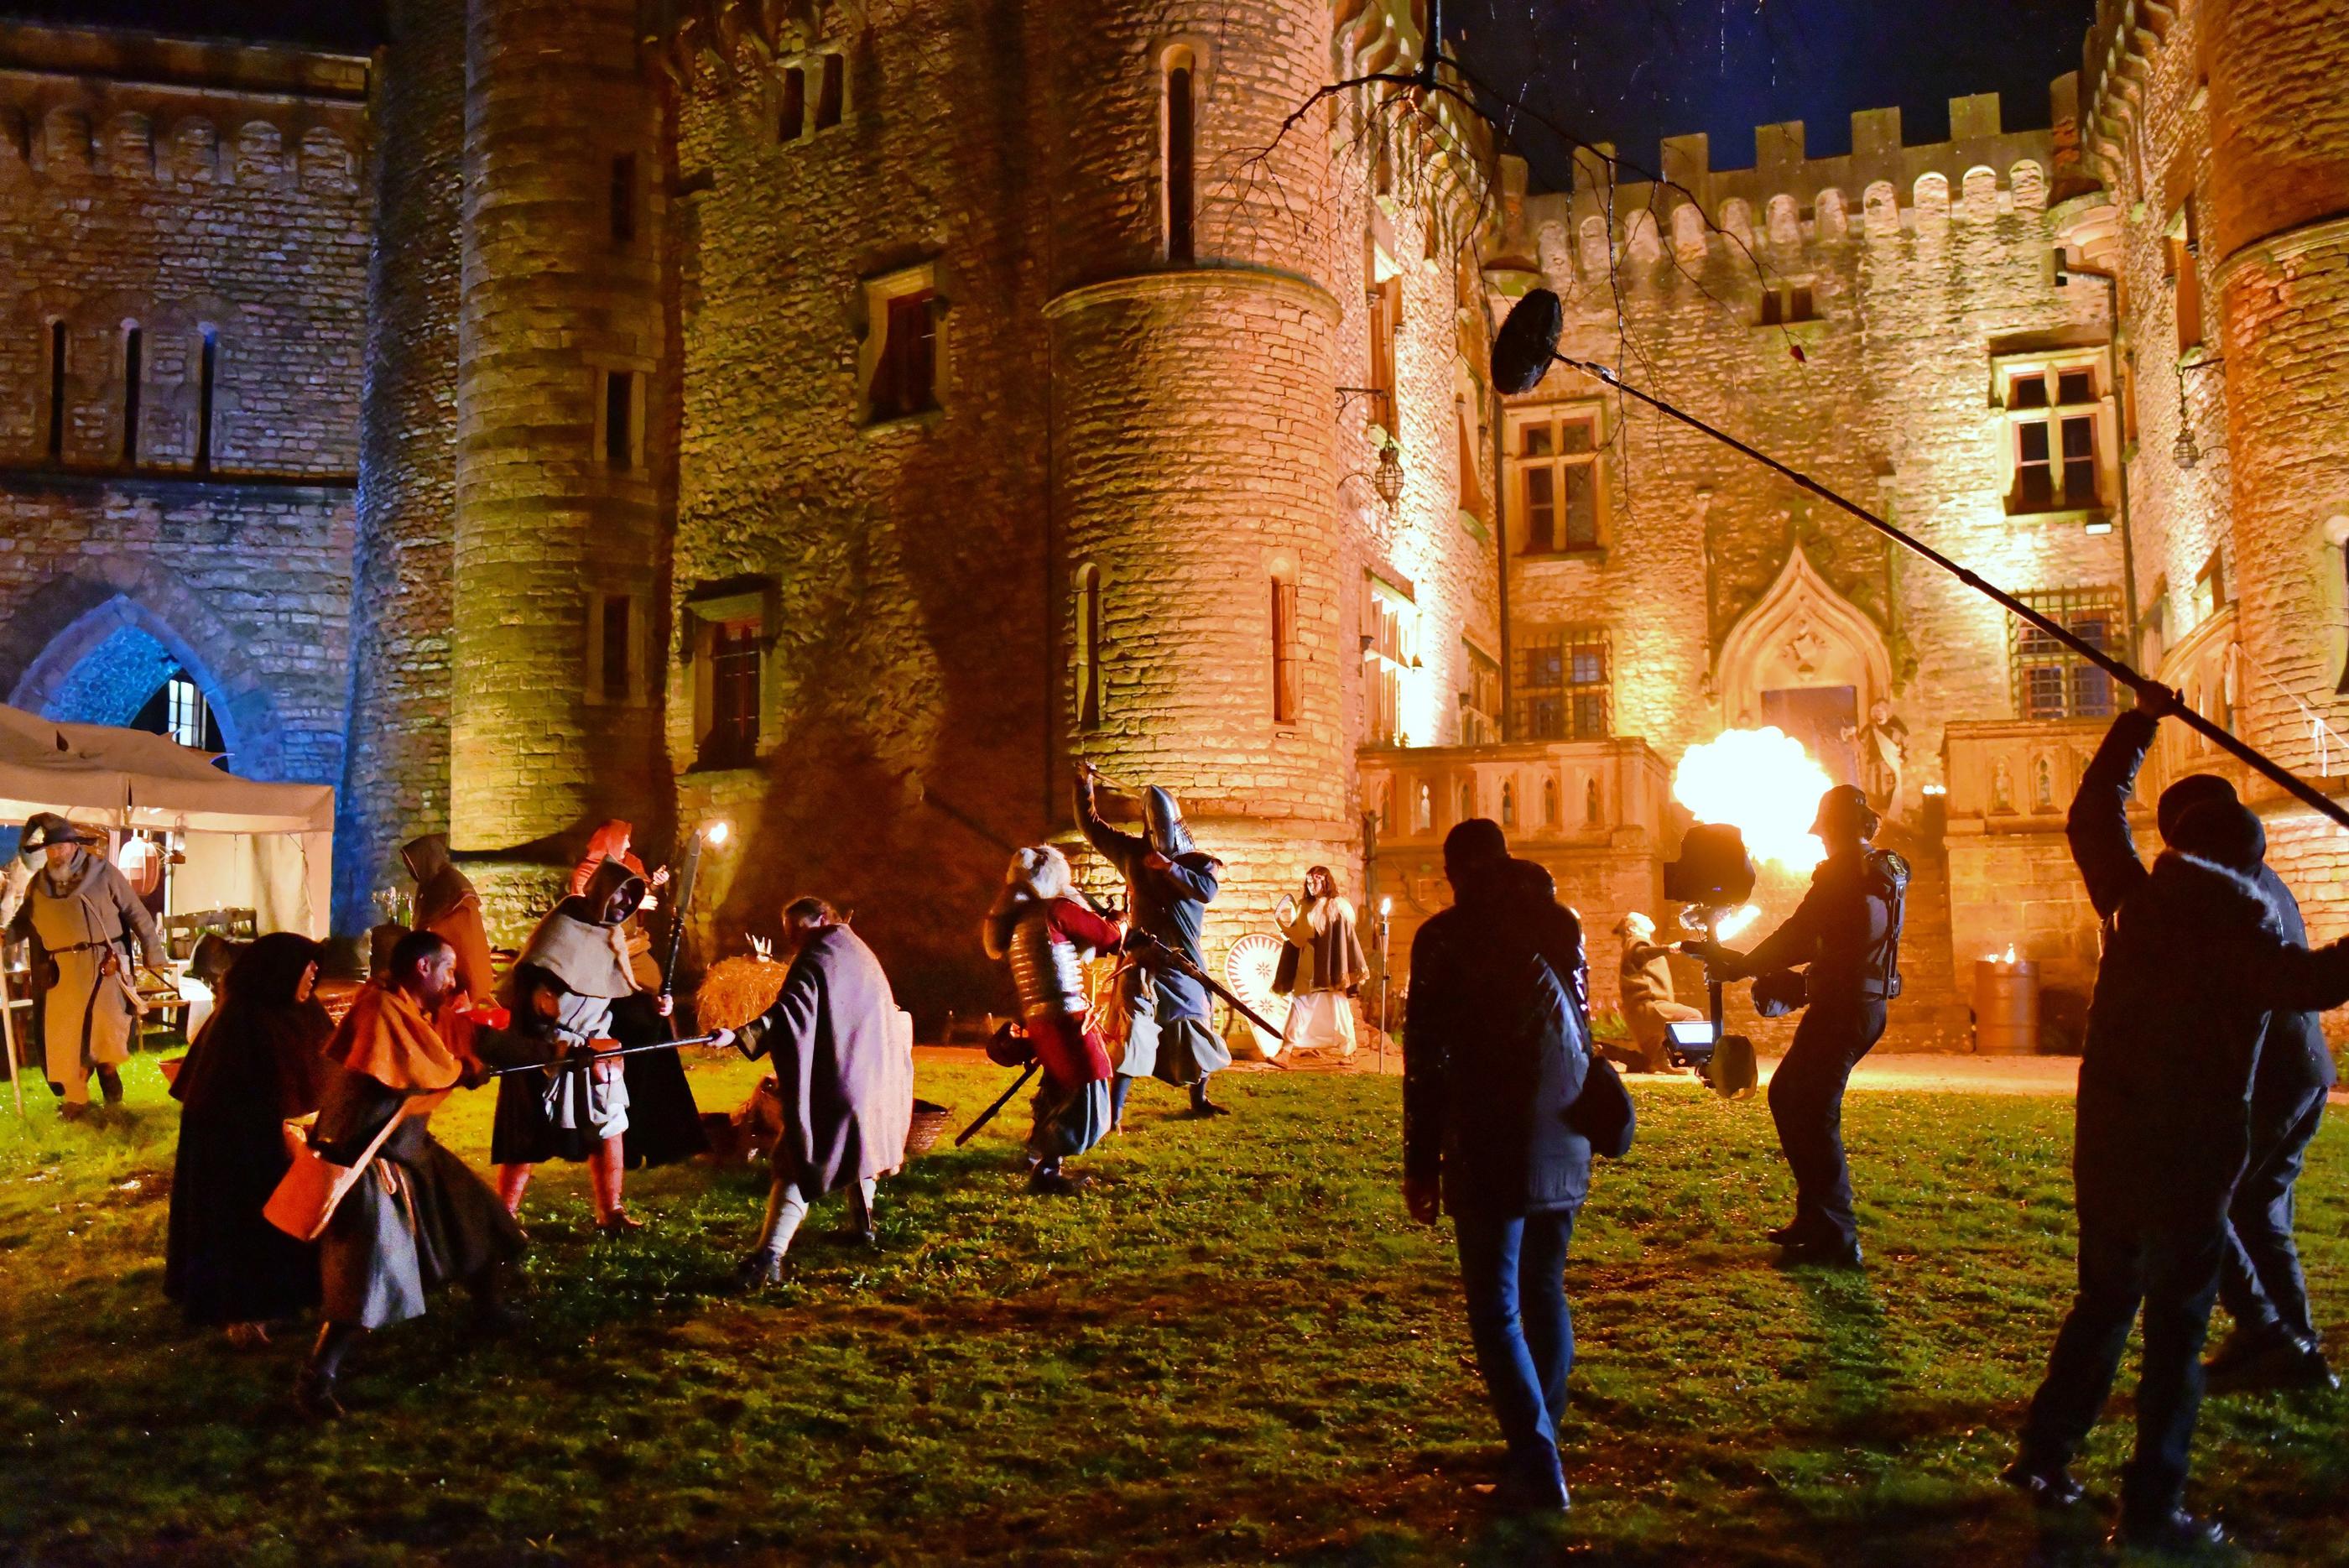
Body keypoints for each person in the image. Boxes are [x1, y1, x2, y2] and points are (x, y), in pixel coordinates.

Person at [2003, 693, 2349, 1550]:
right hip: (2189, 1159)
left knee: (2104, 1301)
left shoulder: (2130, 903)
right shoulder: (2245, 943)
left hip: (2110, 1144)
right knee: (2175, 1335)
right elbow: (2323, 980)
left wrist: (2138, 723)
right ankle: (2153, 1509)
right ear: (2249, 866)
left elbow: (2091, 813)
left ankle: (2043, 1457)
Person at [1404, 819, 1591, 1513]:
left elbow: (1426, 1057)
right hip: (1564, 1130)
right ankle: (1537, 1440)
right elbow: (1584, 1023)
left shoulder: (1445, 938)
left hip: (1490, 1135)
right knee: (1544, 1289)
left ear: (1455, 871)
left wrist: (1421, 1161)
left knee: (1496, 1305)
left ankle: (1538, 1465)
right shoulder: (1561, 924)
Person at [299, 929, 533, 1418]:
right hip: (364, 1157)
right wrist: (461, 1069)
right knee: (362, 1276)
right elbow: (432, 1068)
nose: (453, 980)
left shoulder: (408, 1010)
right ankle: (316, 1381)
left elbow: (453, 1049)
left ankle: (487, 1309)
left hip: (406, 1145)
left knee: (476, 1213)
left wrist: (547, 1055)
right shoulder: (380, 1011)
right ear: (422, 968)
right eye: (448, 969)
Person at [1690, 784, 1906, 1268]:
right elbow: (1838, 937)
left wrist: (1743, 965)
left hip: (1843, 1009)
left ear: (1833, 829)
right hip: (1864, 1005)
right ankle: (1817, 1219)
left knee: (1806, 1107)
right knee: (1795, 1099)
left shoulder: (1844, 873)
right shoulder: (1882, 869)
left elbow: (1800, 933)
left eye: (1826, 831)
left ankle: (1836, 1232)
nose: (1823, 841)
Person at [164, 933, 334, 1341]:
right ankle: (241, 1307)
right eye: (305, 966)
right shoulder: (238, 1021)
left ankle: (301, 1290)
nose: (313, 973)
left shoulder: (303, 1011)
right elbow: (227, 1099)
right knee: (244, 1223)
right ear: (277, 971)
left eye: (315, 965)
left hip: (289, 1135)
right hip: (237, 1149)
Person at [736, 898, 914, 1284]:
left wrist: (740, 1036)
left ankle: (769, 1257)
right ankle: (863, 1226)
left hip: (849, 1082)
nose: (794, 939)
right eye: (790, 933)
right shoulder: (856, 949)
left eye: (798, 929)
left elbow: (787, 1016)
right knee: (858, 1144)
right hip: (875, 1079)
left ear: (820, 919)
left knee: (801, 1155)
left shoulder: (818, 956)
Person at [491, 858, 670, 1232]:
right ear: (600, 891)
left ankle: (612, 1211)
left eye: (630, 896)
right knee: (530, 1131)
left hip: (598, 1049)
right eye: (619, 894)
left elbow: (617, 991)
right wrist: (548, 1021)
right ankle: (503, 1217)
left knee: (610, 1125)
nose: (623, 904)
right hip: (553, 1049)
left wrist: (654, 1005)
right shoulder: (561, 926)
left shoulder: (612, 933)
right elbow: (533, 983)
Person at [1074, 768, 1232, 1123]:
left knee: (1195, 1026)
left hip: (1182, 962)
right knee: (1134, 1033)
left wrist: (1169, 869)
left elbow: (1205, 891)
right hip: (1142, 958)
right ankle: (1113, 1115)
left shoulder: (1200, 864)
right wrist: (1084, 787)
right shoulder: (1133, 853)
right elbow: (1092, 827)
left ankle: (1199, 1099)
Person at [566, 820, 703, 1170]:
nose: (629, 841)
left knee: (655, 1051)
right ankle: (629, 1142)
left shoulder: (631, 866)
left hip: (634, 986)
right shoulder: (586, 884)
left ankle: (664, 1139)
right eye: (622, 894)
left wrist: (649, 891)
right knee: (625, 1068)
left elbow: (636, 908)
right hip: (609, 991)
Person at [983, 847, 1120, 1194]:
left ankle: (1040, 1154)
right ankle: (1047, 1171)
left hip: (1040, 1019)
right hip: (1065, 1017)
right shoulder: (1055, 909)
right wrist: (1120, 920)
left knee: (1058, 1088)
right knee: (1084, 1089)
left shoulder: (1018, 917)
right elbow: (1107, 936)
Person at [9, 814, 164, 1119]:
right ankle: (76, 1097)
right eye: (50, 849)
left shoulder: (104, 873)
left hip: (103, 965)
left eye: (61, 846)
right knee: (66, 1036)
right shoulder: (39, 885)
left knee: (105, 1032)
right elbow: (23, 922)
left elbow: (137, 913)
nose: (56, 854)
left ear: (74, 845)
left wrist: (153, 952)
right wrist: (5, 935)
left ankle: (108, 1079)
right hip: (62, 971)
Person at [1273, 866, 1368, 1059]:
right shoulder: (1304, 906)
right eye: (1309, 882)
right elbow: (1299, 938)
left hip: (1328, 966)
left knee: (1337, 1008)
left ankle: (1350, 1052)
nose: (1312, 886)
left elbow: (1344, 939)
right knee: (1299, 1004)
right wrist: (1287, 931)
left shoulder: (1337, 907)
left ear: (1326, 882)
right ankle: (1286, 1051)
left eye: (1316, 881)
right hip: (1306, 964)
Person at [401, 834, 497, 1009]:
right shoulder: (432, 884)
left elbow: (460, 937)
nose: (411, 870)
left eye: (414, 864)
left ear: (427, 859)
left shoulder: (451, 884)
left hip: (458, 969)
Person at [1610, 912, 1704, 1074]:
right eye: (1643, 918)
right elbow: (1642, 953)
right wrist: (1667, 949)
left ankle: (1654, 1061)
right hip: (1649, 1006)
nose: (1648, 918)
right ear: (1633, 928)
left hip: (1637, 1012)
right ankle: (1690, 1059)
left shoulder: (1632, 945)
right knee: (1693, 1017)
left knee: (1650, 1059)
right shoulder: (1637, 941)